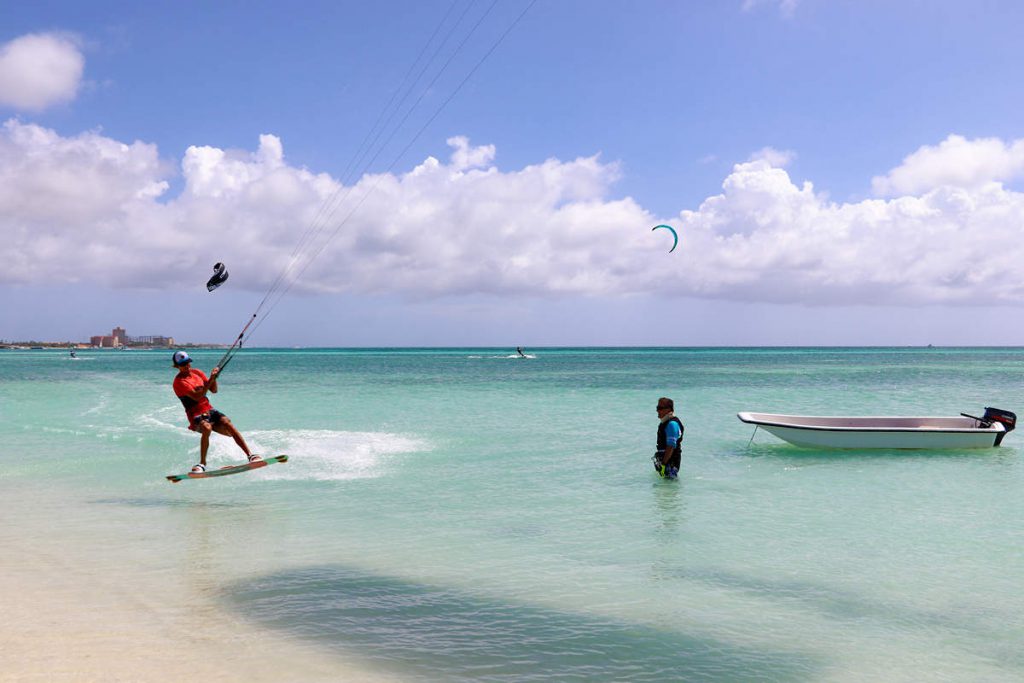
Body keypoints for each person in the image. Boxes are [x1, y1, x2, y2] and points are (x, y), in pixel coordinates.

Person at [171, 350, 258, 472]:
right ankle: (202, 464)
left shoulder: (197, 373)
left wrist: (214, 378)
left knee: (227, 423)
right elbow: (197, 396)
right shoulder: (179, 382)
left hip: (209, 409)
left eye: (188, 363)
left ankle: (250, 455)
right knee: (206, 427)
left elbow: (214, 390)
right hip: (195, 414)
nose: (187, 366)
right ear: (177, 366)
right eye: (183, 364)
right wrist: (211, 377)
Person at [653, 397, 684, 479]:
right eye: (657, 408)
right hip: (666, 462)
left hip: (670, 463)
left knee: (669, 487)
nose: (657, 410)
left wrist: (663, 464)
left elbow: (670, 447)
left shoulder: (672, 424)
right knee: (665, 489)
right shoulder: (666, 423)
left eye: (660, 408)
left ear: (668, 410)